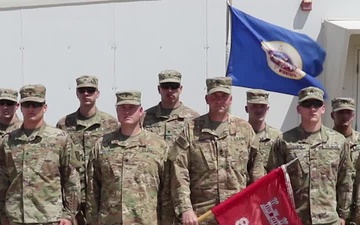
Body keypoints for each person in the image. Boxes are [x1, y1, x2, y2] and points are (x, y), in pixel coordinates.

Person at [169, 77, 264, 225]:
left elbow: (257, 171)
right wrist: (186, 208)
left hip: (238, 212)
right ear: (207, 99)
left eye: (223, 96)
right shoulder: (191, 129)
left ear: (230, 99)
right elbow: (179, 171)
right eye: (214, 96)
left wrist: (256, 204)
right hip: (202, 214)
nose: (219, 100)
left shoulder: (244, 130)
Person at [267, 87, 353, 225]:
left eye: (317, 104)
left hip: (329, 220)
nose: (312, 109)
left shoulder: (338, 141)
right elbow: (273, 182)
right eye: (307, 104)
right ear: (298, 109)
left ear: (323, 109)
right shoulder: (284, 141)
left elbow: (345, 180)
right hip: (295, 219)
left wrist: (343, 215)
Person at [0, 84, 80, 225]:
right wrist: (3, 215)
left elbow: (71, 179)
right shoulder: (8, 141)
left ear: (44, 107)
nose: (31, 109)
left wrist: (68, 215)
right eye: (27, 104)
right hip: (16, 218)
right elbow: (3, 181)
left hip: (49, 218)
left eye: (36, 104)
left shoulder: (60, 139)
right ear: (21, 107)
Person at [86, 91, 168, 225]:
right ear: (116, 111)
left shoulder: (158, 146)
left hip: (145, 220)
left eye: (132, 108)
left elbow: (167, 191)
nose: (127, 112)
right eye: (122, 108)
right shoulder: (102, 145)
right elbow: (92, 190)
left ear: (141, 111)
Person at [56, 75, 118, 225]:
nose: (86, 94)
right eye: (82, 90)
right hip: (73, 199)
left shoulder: (110, 124)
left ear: (97, 93)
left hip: (100, 197)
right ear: (77, 93)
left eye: (90, 90)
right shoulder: (64, 124)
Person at [143, 69, 199, 224]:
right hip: (153, 189)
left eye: (174, 86)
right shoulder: (145, 118)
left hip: (183, 190)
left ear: (181, 89)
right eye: (165, 86)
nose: (169, 91)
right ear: (158, 89)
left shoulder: (194, 119)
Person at [331, 97, 360, 225]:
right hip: (333, 209)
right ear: (332, 115)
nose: (345, 116)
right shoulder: (326, 143)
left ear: (353, 115)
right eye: (340, 112)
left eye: (348, 112)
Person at [245, 89, 281, 167]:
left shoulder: (277, 137)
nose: (259, 110)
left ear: (267, 109)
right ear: (246, 109)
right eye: (254, 106)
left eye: (262, 106)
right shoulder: (239, 134)